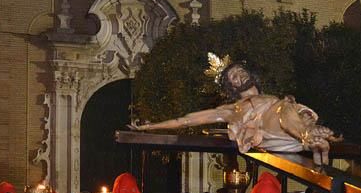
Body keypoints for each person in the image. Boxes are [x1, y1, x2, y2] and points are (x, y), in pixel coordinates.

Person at [131, 57, 341, 166]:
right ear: (230, 87)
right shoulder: (232, 109)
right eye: (233, 77)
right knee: (283, 109)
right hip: (267, 127)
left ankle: (314, 141)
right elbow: (186, 120)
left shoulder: (271, 97)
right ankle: (310, 137)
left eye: (240, 71)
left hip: (286, 122)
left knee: (288, 107)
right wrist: (150, 126)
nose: (239, 76)